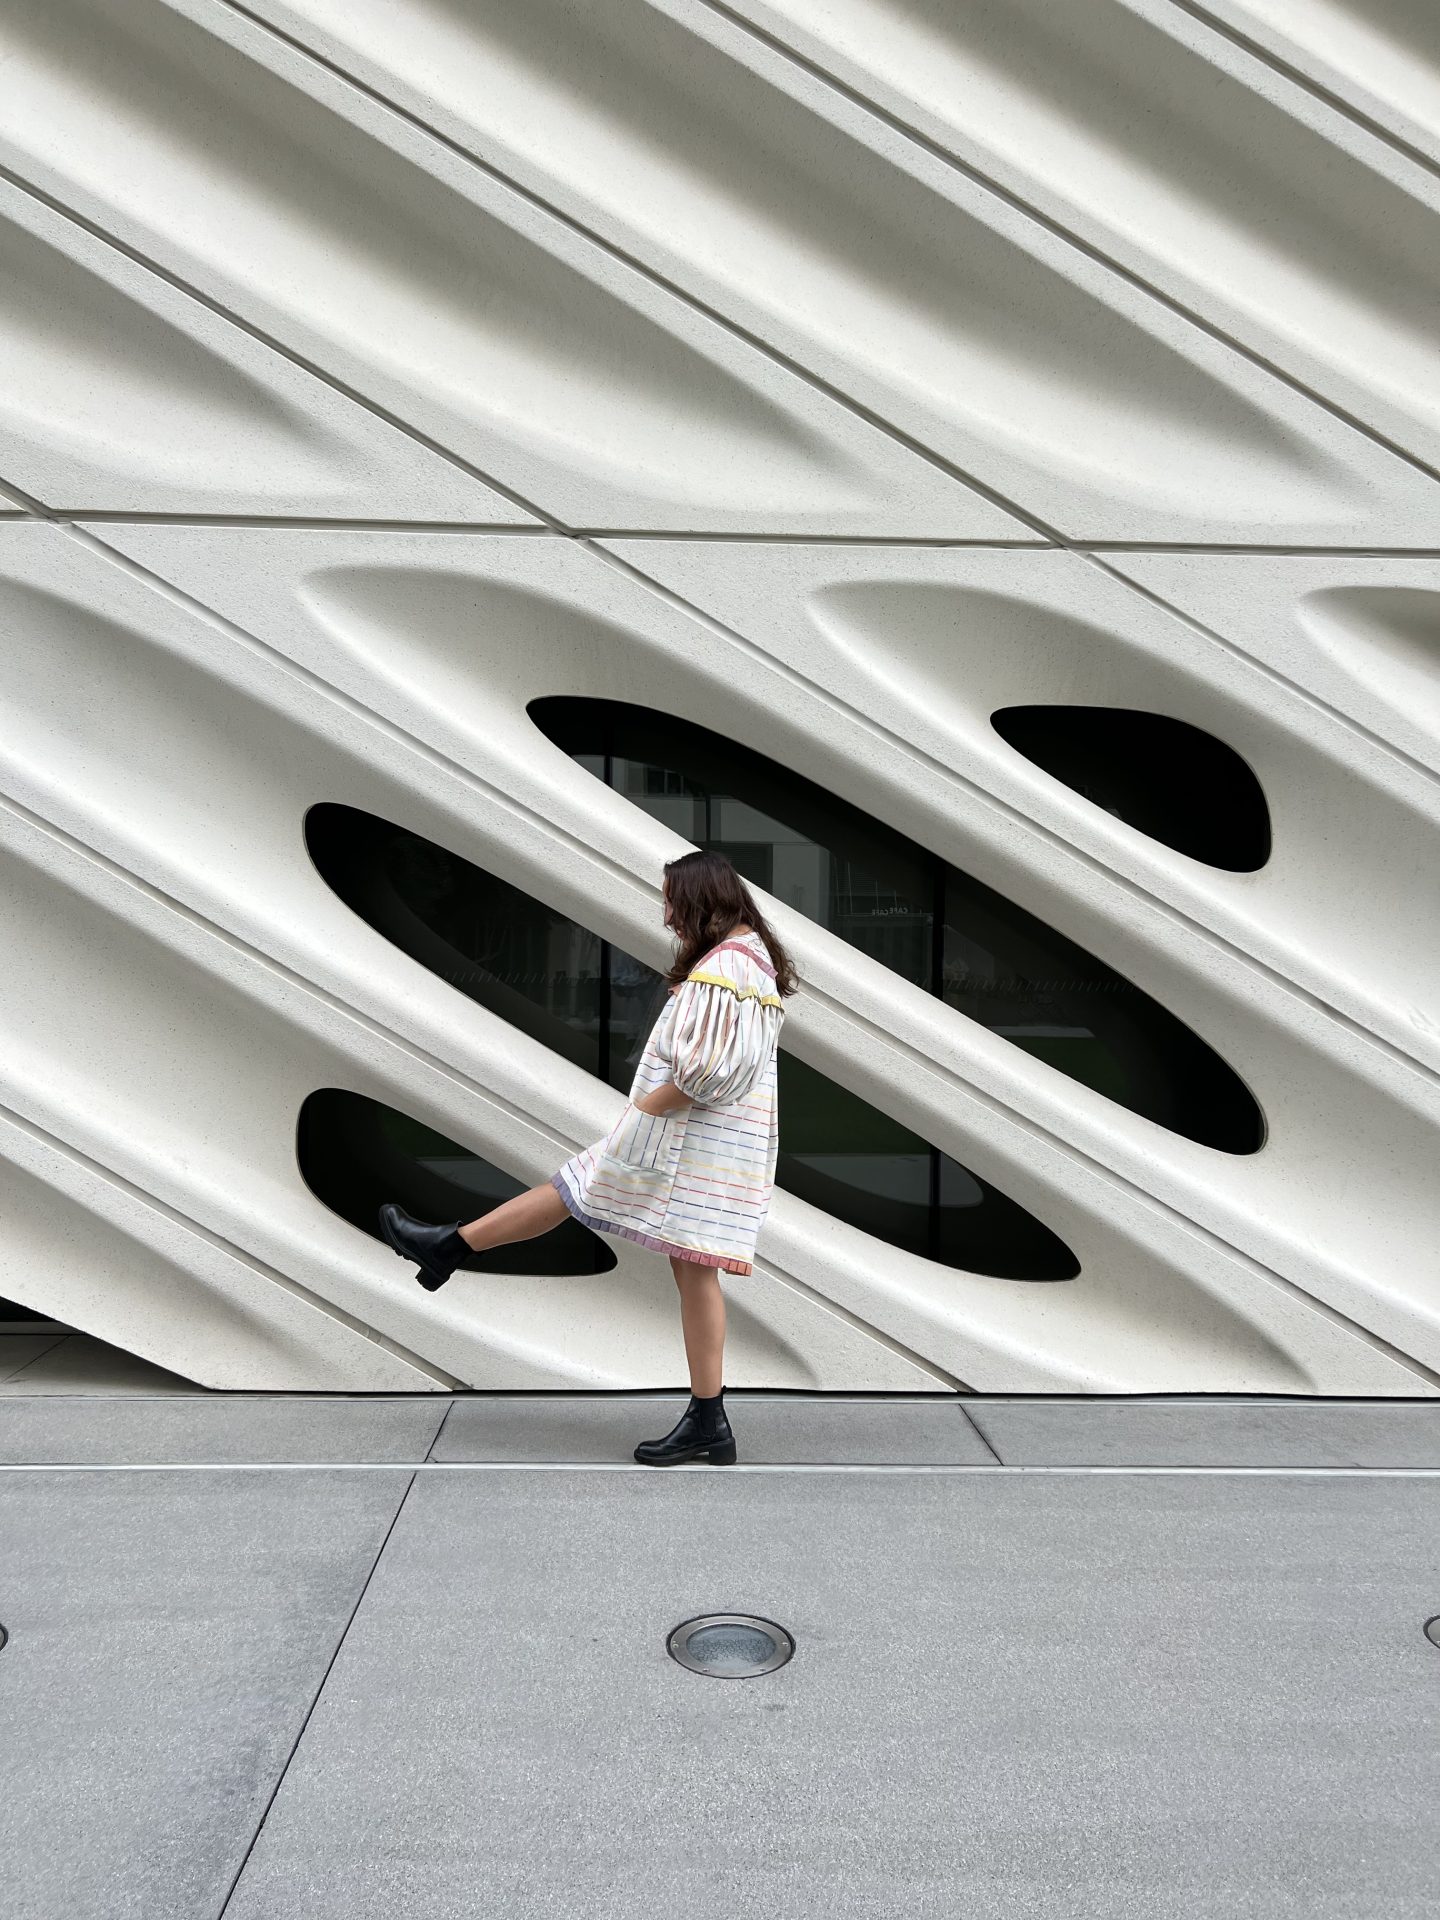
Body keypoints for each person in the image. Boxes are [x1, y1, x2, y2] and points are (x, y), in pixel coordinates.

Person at [378, 849, 798, 1466]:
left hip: (684, 1142)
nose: (666, 916)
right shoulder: (753, 957)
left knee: (590, 1202)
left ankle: (447, 1248)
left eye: (671, 901)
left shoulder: (728, 967)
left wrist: (646, 1110)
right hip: (703, 1145)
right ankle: (448, 1248)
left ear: (701, 899)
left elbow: (708, 1072)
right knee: (631, 1230)